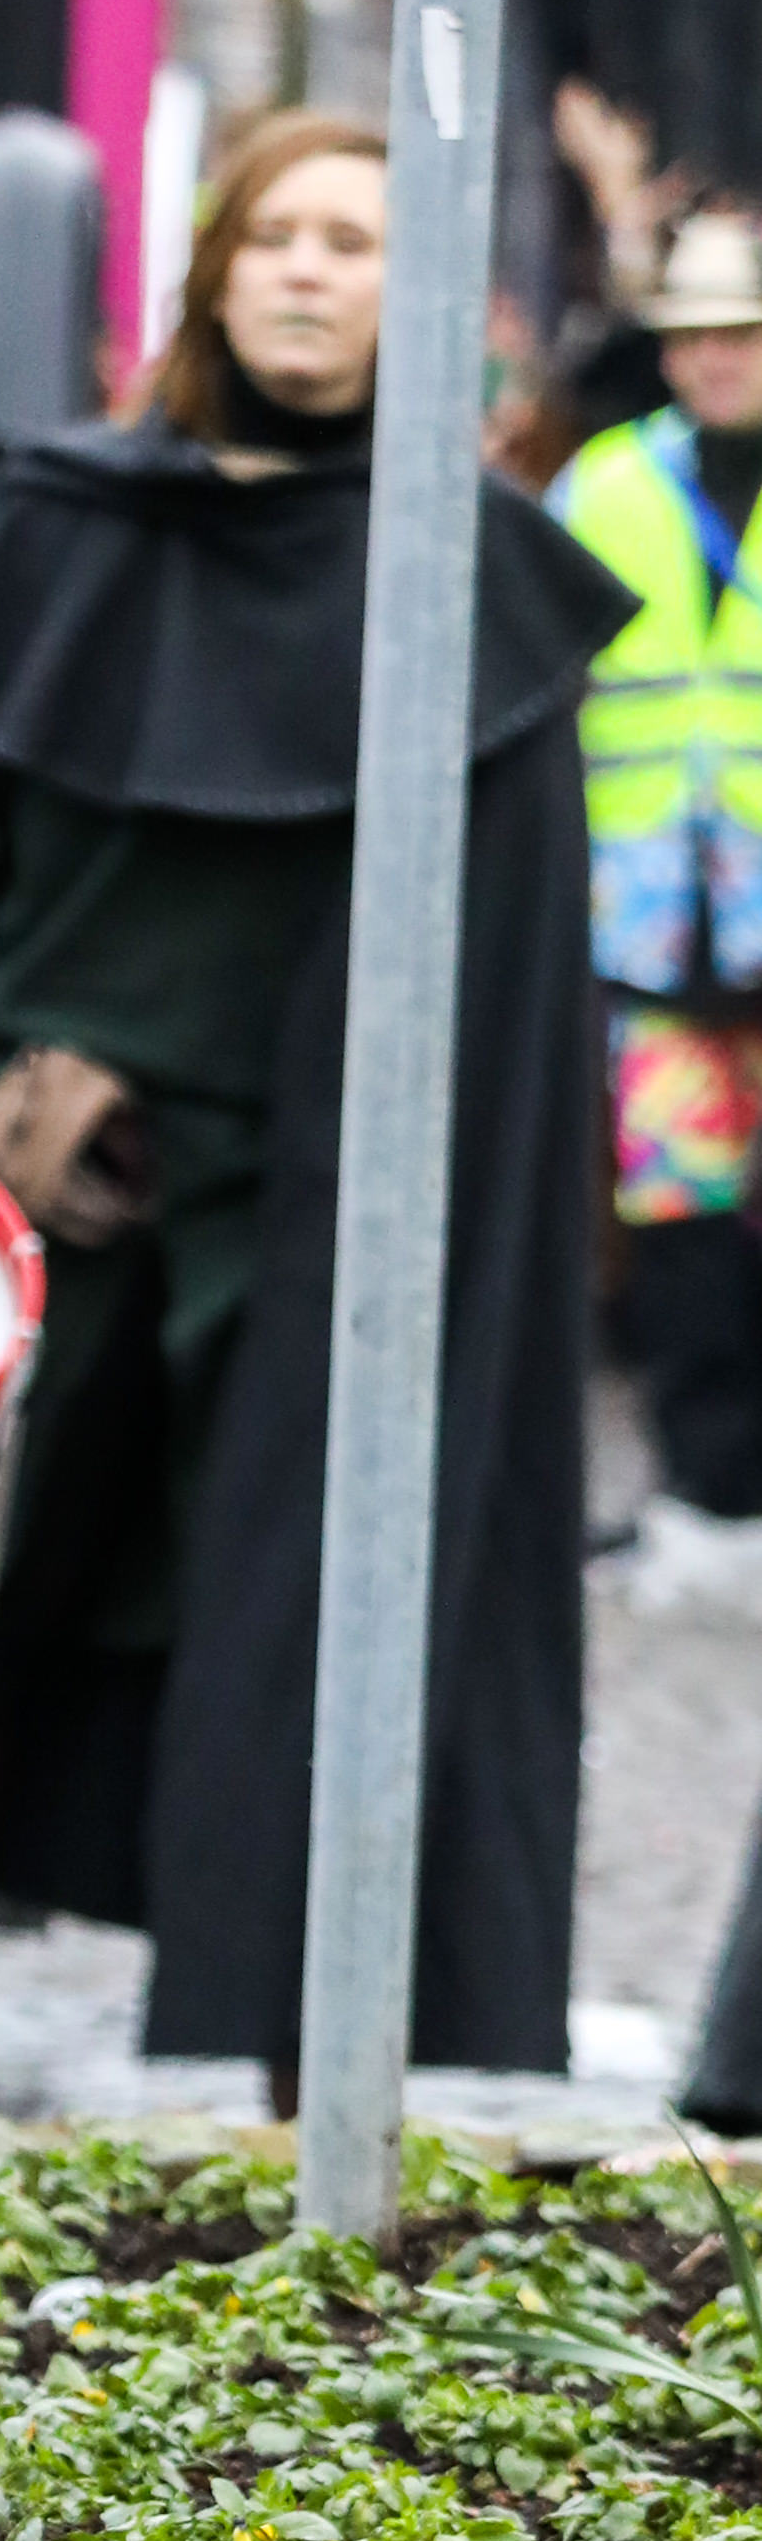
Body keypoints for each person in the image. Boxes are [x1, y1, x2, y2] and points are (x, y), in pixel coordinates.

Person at [0, 109, 633, 2103]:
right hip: (51, 1157)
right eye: (272, 234)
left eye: (352, 239)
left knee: (288, 1608)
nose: (305, 271)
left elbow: (500, 966)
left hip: (316, 1194)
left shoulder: (472, 578)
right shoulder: (63, 527)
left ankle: (272, 2047)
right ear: (209, 271)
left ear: (417, 292)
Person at [551, 203, 762, 1592]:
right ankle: (704, 1487)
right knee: (679, 1211)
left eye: (737, 331)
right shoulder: (605, 483)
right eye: (690, 335)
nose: (712, 358)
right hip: (649, 932)